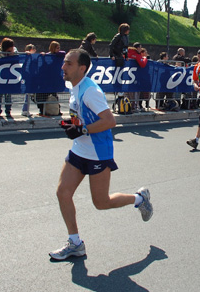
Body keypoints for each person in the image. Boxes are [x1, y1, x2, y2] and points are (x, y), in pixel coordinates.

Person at [49, 49, 153, 261]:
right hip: (79, 149)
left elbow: (109, 121)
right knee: (62, 192)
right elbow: (82, 116)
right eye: (64, 63)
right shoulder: (73, 86)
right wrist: (73, 124)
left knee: (101, 202)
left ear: (82, 68)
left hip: (98, 153)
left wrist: (84, 129)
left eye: (68, 63)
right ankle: (75, 243)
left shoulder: (91, 92)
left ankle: (140, 199)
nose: (63, 67)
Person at [0, 38, 16, 117]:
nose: (12, 47)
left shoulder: (14, 51)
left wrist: (12, 54)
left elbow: (18, 58)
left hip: (10, 77)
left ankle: (8, 111)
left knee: (8, 96)